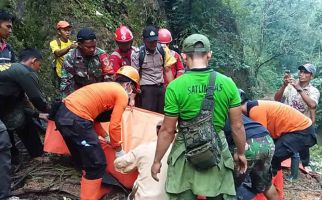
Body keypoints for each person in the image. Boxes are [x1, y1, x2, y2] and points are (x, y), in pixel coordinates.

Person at [151, 34, 247, 199]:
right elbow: (237, 126)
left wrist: (157, 161)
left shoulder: (175, 87)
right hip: (217, 149)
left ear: (183, 56)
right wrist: (240, 153)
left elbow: (167, 130)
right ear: (209, 54)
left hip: (184, 151)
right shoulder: (228, 83)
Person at [55, 66, 139, 200]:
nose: (131, 92)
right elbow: (115, 125)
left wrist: (105, 137)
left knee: (84, 158)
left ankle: (91, 187)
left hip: (62, 115)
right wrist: (118, 149)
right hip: (77, 120)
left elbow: (93, 118)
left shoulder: (106, 87)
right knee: (97, 163)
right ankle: (88, 197)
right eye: (133, 89)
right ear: (129, 84)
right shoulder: (121, 94)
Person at [224, 90, 278, 200]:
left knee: (229, 187)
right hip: (266, 140)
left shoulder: (219, 115)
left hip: (248, 144)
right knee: (266, 185)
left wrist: (239, 153)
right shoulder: (236, 112)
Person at [241, 99, 316, 176]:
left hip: (301, 131)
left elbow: (261, 139)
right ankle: (274, 181)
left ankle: (267, 184)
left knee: (272, 157)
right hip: (294, 130)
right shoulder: (255, 106)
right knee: (274, 156)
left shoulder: (255, 110)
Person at [0, 48, 49, 164]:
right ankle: (35, 155)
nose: (39, 69)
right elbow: (37, 99)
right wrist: (54, 112)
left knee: (15, 121)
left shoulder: (12, 69)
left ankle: (14, 157)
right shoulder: (25, 72)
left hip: (4, 106)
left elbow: (15, 106)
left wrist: (38, 115)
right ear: (34, 61)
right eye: (39, 65)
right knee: (22, 123)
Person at [274, 63, 320, 170]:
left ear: (311, 76)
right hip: (285, 122)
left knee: (302, 152)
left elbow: (312, 105)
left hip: (301, 126)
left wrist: (299, 89)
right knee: (280, 147)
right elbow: (276, 99)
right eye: (301, 71)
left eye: (305, 72)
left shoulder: (313, 91)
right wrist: (284, 85)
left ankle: (303, 165)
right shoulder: (290, 86)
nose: (302, 74)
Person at [114, 121, 171, 200]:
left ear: (157, 131)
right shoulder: (179, 153)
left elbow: (119, 164)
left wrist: (120, 153)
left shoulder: (143, 149)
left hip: (142, 197)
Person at [60, 27, 114, 98]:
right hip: (79, 96)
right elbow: (66, 82)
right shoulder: (70, 58)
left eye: (94, 46)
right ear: (79, 44)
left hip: (99, 94)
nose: (92, 49)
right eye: (88, 47)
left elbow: (109, 77)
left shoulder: (102, 55)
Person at [131, 25, 166, 113]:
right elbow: (134, 76)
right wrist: (132, 97)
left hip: (161, 87)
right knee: (149, 114)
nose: (153, 44)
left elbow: (167, 69)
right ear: (144, 40)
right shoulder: (138, 54)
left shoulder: (162, 51)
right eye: (150, 41)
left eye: (155, 41)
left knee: (163, 114)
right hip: (147, 89)